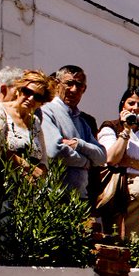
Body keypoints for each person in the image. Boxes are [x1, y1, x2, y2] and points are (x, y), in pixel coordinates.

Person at [96, 88, 139, 239]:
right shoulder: (111, 127)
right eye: (131, 103)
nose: (135, 108)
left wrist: (130, 162)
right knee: (125, 237)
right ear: (123, 105)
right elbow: (111, 158)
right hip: (125, 190)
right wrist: (125, 131)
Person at [41, 65, 106, 199]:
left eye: (79, 85)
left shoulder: (81, 120)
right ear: (57, 84)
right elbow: (55, 151)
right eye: (69, 84)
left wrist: (78, 144)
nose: (74, 89)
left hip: (79, 198)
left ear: (84, 89)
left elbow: (101, 157)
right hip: (53, 197)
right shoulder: (47, 111)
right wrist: (86, 162)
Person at [0, 68, 51, 172]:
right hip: (1, 180)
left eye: (38, 97)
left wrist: (41, 175)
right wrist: (30, 169)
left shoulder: (35, 121)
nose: (31, 98)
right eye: (27, 92)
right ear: (18, 90)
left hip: (29, 186)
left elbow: (43, 160)